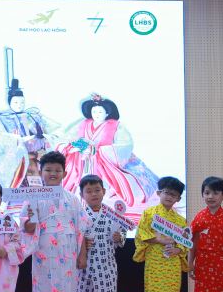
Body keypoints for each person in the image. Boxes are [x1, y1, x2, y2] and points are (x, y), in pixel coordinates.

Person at [57, 94, 159, 223]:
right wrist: (76, 146)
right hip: (83, 162)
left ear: (107, 113)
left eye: (100, 112)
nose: (96, 114)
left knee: (105, 187)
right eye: (94, 111)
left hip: (104, 163)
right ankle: (81, 205)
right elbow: (67, 139)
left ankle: (102, 205)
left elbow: (124, 145)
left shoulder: (116, 126)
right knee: (78, 186)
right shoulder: (83, 124)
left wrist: (100, 151)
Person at [23, 150, 85, 292]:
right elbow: (27, 229)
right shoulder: (33, 198)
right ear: (41, 172)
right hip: (44, 252)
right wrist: (30, 218)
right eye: (48, 170)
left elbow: (81, 228)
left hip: (68, 252)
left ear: (64, 173)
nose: (52, 173)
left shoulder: (73, 199)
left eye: (57, 170)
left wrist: (82, 254)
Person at [0, 78, 59, 188]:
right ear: (9, 102)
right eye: (16, 102)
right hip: (17, 159)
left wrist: (44, 138)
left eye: (22, 102)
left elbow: (53, 130)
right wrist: (19, 140)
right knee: (18, 187)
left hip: (37, 158)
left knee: (40, 187)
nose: (19, 105)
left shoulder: (33, 116)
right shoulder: (0, 118)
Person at [133, 176, 190, 292]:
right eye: (166, 193)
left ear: (178, 198)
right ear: (159, 193)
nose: (169, 197)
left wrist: (178, 250)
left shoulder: (180, 220)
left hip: (171, 264)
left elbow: (185, 242)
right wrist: (159, 239)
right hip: (154, 263)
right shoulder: (149, 213)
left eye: (174, 195)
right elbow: (141, 234)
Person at [73, 174, 128, 292]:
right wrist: (81, 244)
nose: (94, 194)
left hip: (106, 265)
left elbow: (123, 235)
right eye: (89, 191)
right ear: (82, 195)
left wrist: (119, 237)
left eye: (97, 190)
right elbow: (73, 237)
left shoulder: (113, 215)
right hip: (85, 266)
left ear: (104, 191)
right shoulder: (79, 215)